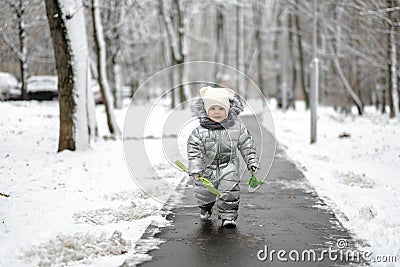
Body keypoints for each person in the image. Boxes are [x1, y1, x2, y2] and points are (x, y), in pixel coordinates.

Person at [187, 86, 259, 227]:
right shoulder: (199, 131)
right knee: (204, 192)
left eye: (221, 109)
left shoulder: (237, 128)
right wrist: (195, 169)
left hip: (229, 165)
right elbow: (194, 150)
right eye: (212, 109)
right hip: (207, 168)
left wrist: (252, 162)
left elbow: (247, 145)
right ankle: (205, 207)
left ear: (228, 110)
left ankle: (228, 217)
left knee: (229, 190)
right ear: (206, 110)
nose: (217, 112)